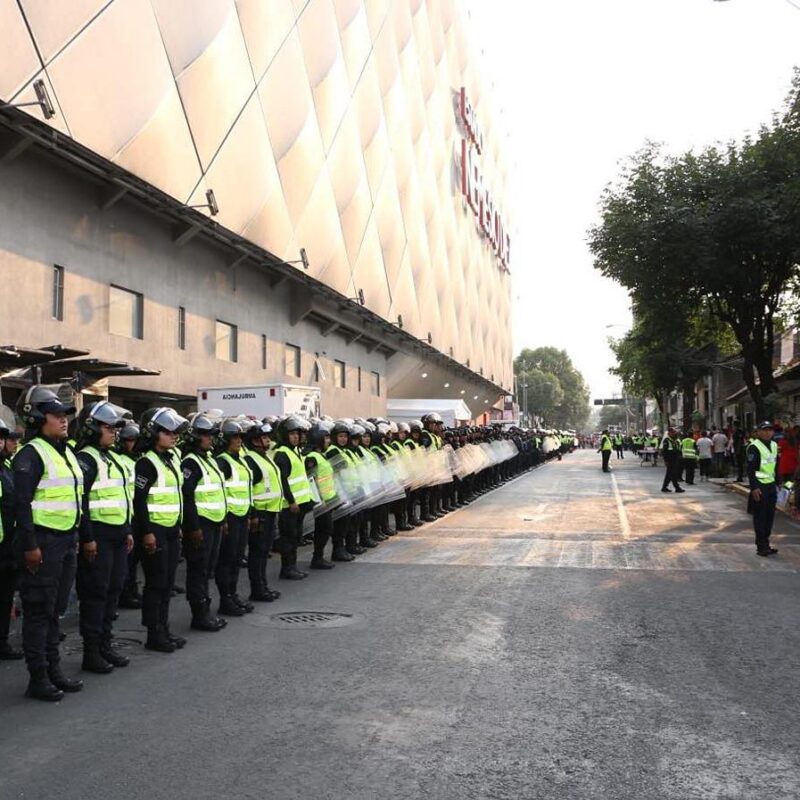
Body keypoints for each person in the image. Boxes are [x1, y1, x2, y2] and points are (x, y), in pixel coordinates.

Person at [13, 386, 84, 700]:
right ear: (38, 418)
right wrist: (30, 545)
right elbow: (22, 504)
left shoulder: (64, 450)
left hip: (66, 539)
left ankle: (54, 670)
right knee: (39, 611)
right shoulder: (30, 454)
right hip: (42, 542)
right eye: (56, 416)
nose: (63, 420)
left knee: (55, 611)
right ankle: (38, 677)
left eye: (65, 415)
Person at [75, 400, 135, 673]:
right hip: (98, 535)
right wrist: (87, 538)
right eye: (108, 427)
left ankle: (105, 645)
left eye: (115, 428)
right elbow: (81, 502)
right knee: (96, 594)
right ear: (91, 428)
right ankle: (91, 653)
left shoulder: (109, 456)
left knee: (113, 591)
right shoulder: (86, 458)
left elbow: (122, 498)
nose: (114, 432)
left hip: (117, 534)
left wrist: (127, 530)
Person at [133, 407, 188, 653]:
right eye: (168, 431)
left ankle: (164, 628)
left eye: (175, 431)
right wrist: (146, 533)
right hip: (154, 529)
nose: (174, 435)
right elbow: (139, 501)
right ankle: (154, 634)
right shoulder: (147, 463)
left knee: (166, 583)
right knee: (156, 584)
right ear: (153, 432)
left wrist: (178, 526)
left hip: (170, 528)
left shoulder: (170, 458)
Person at [180, 413, 228, 631]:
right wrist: (194, 527)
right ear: (194, 437)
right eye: (206, 435)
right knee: (198, 570)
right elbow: (187, 497)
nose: (210, 438)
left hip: (215, 522)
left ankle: (205, 611)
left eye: (211, 435)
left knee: (207, 569)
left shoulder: (208, 459)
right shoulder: (190, 462)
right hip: (202, 524)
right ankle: (199, 615)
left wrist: (223, 518)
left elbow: (218, 492)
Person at [215, 419, 254, 615]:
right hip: (230, 517)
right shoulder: (222, 461)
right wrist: (224, 519)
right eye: (235, 437)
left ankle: (233, 594)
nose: (239, 440)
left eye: (240, 437)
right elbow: (220, 491)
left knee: (237, 558)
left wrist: (248, 514)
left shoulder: (239, 459)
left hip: (241, 516)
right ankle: (225, 599)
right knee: (227, 560)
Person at [242, 421, 283, 597]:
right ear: (255, 441)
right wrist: (254, 515)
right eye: (264, 437)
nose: (268, 440)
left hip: (270, 511)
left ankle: (263, 586)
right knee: (257, 553)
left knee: (264, 551)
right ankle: (257, 589)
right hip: (260, 514)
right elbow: (248, 490)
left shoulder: (264, 456)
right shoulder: (251, 459)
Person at [273, 415, 315, 580]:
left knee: (295, 537)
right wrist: (291, 501)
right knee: (288, 538)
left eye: (297, 433)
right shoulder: (282, 453)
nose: (296, 436)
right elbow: (282, 481)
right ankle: (287, 568)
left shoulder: (295, 451)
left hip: (300, 504)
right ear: (285, 435)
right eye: (292, 434)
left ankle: (293, 566)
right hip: (289, 506)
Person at [0, 417, 22, 660]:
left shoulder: (7, 468)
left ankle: (2, 642)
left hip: (8, 547)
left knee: (5, 598)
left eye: (1, 437)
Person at [116, 422, 142, 609]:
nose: (133, 444)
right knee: (128, 560)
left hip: (137, 514)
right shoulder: (122, 460)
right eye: (130, 440)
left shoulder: (138, 460)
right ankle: (126, 593)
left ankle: (132, 589)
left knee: (135, 559)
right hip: (127, 515)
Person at [747, 421, 780, 557]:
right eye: (764, 430)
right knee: (760, 517)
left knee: (769, 516)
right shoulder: (754, 447)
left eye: (770, 430)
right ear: (758, 432)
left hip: (771, 485)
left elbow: (775, 464)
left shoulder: (774, 445)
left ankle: (766, 543)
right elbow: (750, 469)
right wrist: (754, 488)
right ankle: (761, 546)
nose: (767, 432)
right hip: (760, 486)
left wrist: (778, 482)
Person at [660, 427, 685, 494]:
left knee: (670, 474)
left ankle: (664, 487)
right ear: (669, 433)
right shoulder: (667, 440)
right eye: (673, 432)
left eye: (675, 432)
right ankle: (677, 488)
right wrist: (665, 460)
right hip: (670, 460)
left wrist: (680, 456)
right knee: (672, 474)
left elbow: (679, 449)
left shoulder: (676, 440)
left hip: (676, 459)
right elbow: (664, 451)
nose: (674, 433)